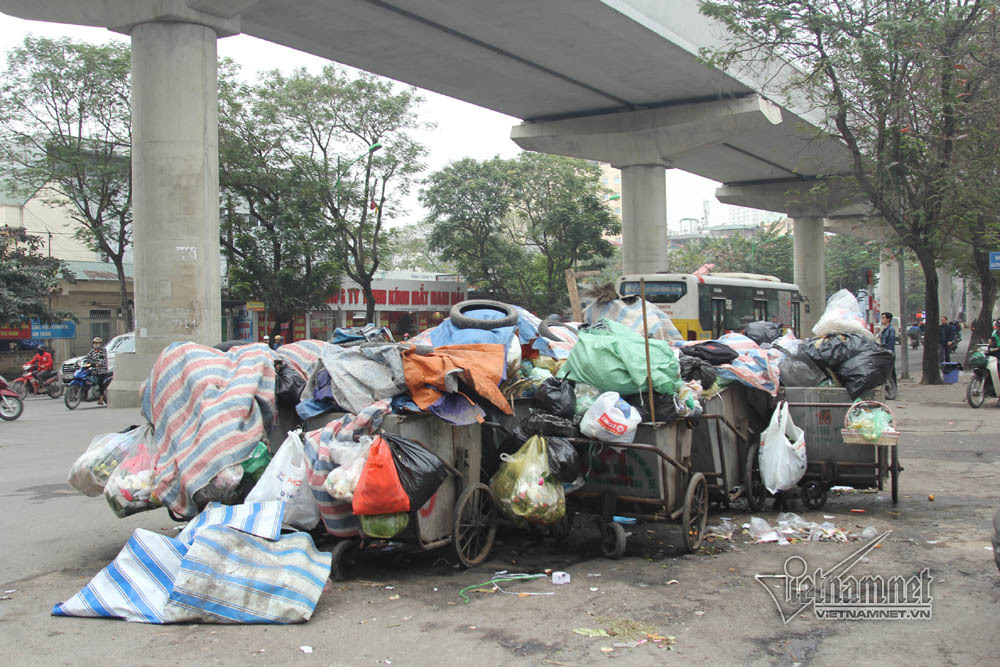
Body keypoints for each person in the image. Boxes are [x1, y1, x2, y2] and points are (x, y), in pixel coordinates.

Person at [84, 336, 111, 406]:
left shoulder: (103, 350)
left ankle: (101, 398)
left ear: (100, 344)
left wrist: (97, 364)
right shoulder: (92, 351)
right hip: (94, 370)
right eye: (95, 343)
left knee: (100, 382)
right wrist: (85, 362)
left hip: (102, 370)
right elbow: (87, 358)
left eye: (98, 343)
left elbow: (102, 360)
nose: (96, 344)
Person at [880, 312, 898, 391]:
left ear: (888, 319)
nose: (882, 319)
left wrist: (888, 352)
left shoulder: (891, 330)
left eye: (883, 318)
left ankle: (894, 388)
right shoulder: (885, 329)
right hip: (885, 352)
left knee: (891, 371)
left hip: (889, 353)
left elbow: (891, 342)